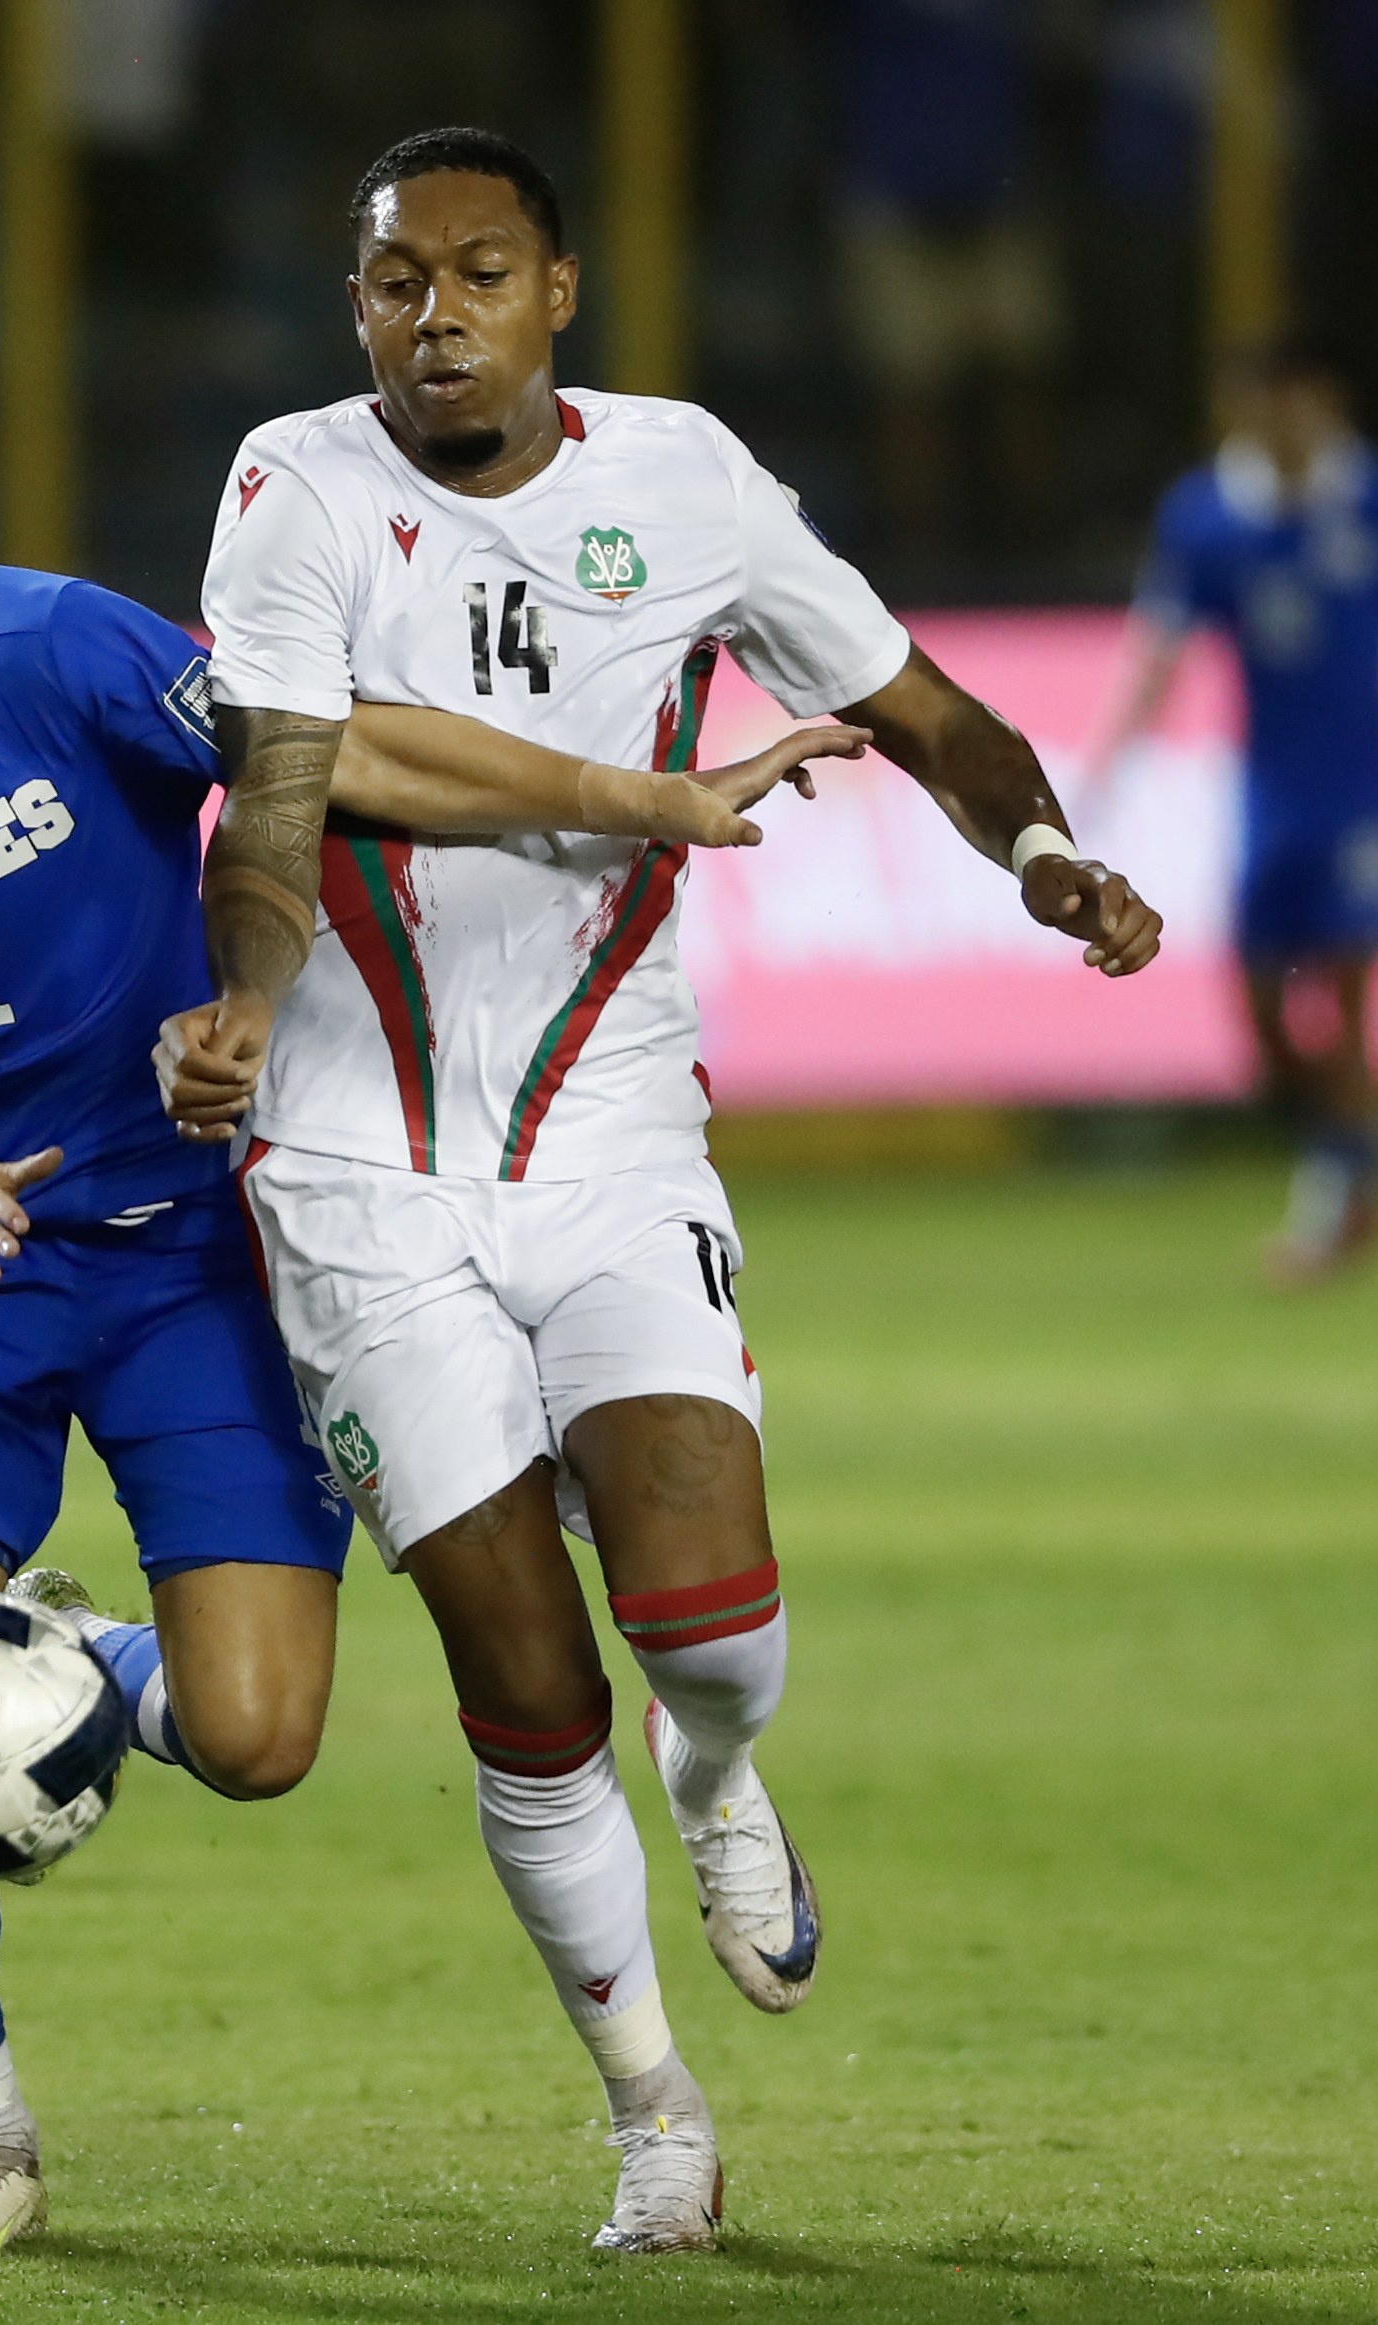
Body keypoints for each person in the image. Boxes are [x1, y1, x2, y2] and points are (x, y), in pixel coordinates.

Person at [0, 386, 852, 2257]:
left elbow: (318, 752)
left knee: (257, 1736)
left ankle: (72, 1663)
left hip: (202, 1244)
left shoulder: (33, 646)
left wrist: (631, 799)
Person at [177, 128, 1166, 2254]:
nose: (425, 310)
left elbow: (918, 710)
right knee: (521, 1667)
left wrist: (1042, 852)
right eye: (385, 280)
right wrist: (249, 1002)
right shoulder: (295, 485)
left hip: (617, 1134)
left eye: (472, 270)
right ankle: (654, 2114)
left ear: (559, 294)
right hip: (353, 1159)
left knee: (708, 1628)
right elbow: (283, 781)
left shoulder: (690, 480)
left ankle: (716, 1777)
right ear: (351, 309)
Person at [1088, 339, 1378, 1283]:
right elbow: (1164, 646)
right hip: (1271, 798)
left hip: (1361, 796)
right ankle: (1351, 1168)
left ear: (1321, 401)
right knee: (1259, 1021)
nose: (1276, 421)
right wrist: (1108, 765)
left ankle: (1333, 1205)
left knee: (1335, 1002)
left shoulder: (1363, 497)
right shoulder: (1210, 517)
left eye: (1290, 401)